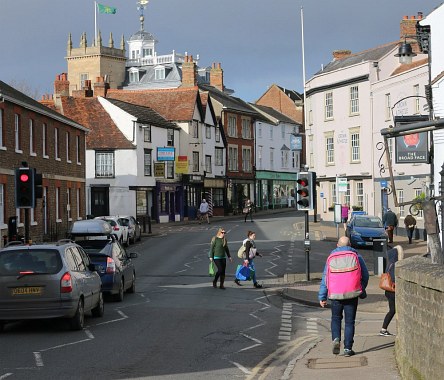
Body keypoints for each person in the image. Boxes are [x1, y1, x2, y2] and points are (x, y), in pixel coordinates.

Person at [318, 236, 369, 357]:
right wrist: (361, 288)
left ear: (337, 245)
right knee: (349, 322)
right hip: (352, 293)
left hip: (335, 294)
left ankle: (336, 339)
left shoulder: (331, 258)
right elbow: (365, 275)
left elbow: (326, 278)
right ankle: (347, 348)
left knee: (336, 318)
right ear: (350, 244)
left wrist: (322, 296)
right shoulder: (357, 256)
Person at [380, 245, 404, 337]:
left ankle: (384, 329)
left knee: (393, 310)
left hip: (388, 290)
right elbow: (394, 278)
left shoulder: (389, 263)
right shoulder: (395, 265)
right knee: (393, 310)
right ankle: (383, 329)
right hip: (393, 290)